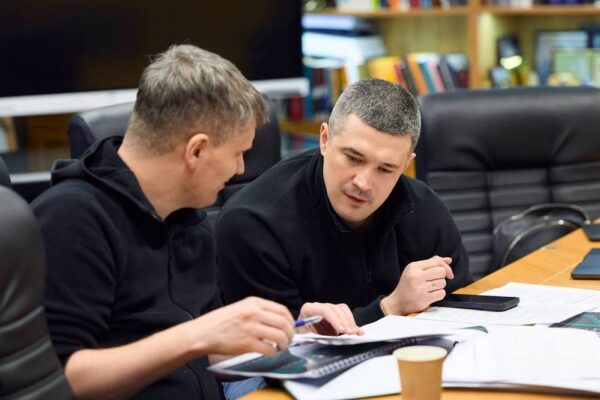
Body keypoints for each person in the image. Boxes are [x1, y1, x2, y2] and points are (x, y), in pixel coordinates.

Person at [32, 44, 360, 400]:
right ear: (197, 150)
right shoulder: (71, 220)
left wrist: (291, 336)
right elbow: (62, 379)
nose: (240, 169)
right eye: (238, 153)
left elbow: (202, 356)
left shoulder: (190, 222)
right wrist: (198, 334)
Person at [216, 79, 474, 326]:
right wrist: (389, 308)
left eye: (385, 169)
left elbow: (463, 312)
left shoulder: (424, 209)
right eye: (353, 158)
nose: (363, 183)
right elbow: (275, 345)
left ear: (406, 165)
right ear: (325, 139)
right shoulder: (254, 224)